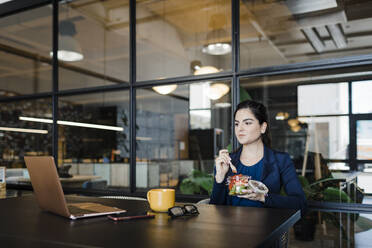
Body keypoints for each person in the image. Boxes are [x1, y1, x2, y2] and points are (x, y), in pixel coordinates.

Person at [210, 100, 307, 216]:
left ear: (263, 127)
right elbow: (214, 209)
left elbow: (300, 204)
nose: (240, 129)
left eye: (247, 123)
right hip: (230, 230)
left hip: (266, 230)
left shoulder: (281, 160)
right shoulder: (227, 162)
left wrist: (263, 197)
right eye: (236, 124)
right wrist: (219, 179)